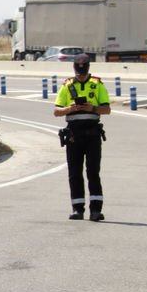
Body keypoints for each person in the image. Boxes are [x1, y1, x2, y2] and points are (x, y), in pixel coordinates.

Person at [53, 53, 111, 221]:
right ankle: (78, 209)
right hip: (73, 136)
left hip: (92, 135)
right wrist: (70, 109)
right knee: (74, 173)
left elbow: (107, 109)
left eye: (83, 70)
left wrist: (92, 108)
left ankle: (95, 211)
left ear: (87, 68)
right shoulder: (67, 85)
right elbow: (56, 111)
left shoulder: (97, 85)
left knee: (93, 172)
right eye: (78, 71)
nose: (80, 74)